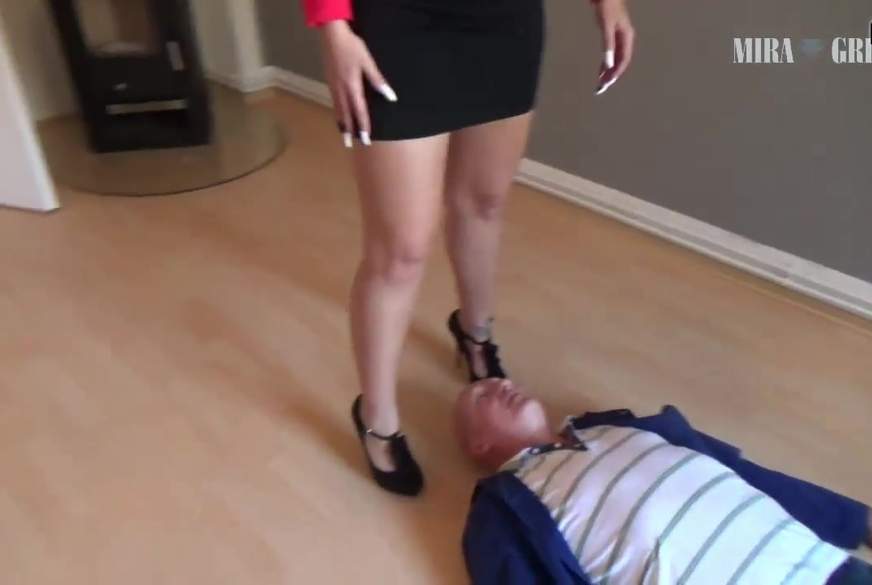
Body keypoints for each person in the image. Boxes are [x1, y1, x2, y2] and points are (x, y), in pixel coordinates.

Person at [298, 0, 636, 496]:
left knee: (484, 204)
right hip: (397, 24)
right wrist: (332, 28)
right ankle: (376, 416)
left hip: (504, 22)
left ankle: (475, 335)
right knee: (400, 251)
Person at [455, 378, 872, 584]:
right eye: (481, 396)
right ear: (478, 444)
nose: (502, 383)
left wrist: (859, 521)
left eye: (500, 380)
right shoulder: (500, 510)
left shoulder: (619, 427)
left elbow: (746, 474)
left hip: (826, 566)